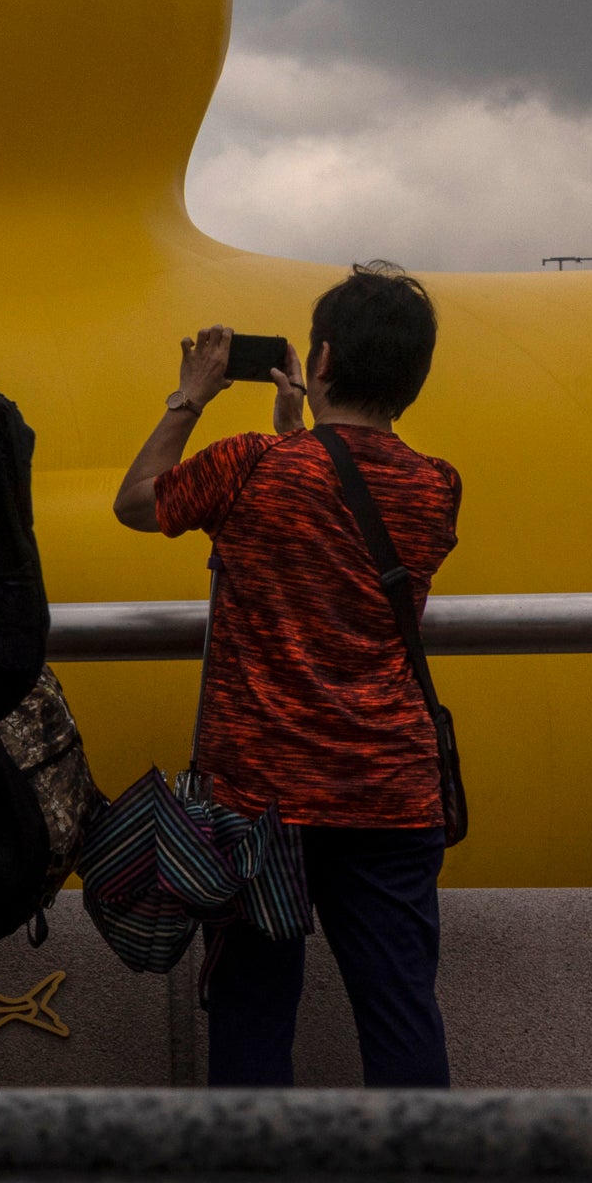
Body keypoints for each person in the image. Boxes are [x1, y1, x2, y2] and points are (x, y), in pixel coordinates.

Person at [115, 266, 463, 1088]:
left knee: (252, 1015)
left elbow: (137, 501)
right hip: (389, 791)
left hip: (260, 802)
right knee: (402, 1012)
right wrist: (296, 430)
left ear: (324, 356)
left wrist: (190, 396)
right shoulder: (436, 485)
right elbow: (344, 530)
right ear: (412, 378)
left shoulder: (249, 466)